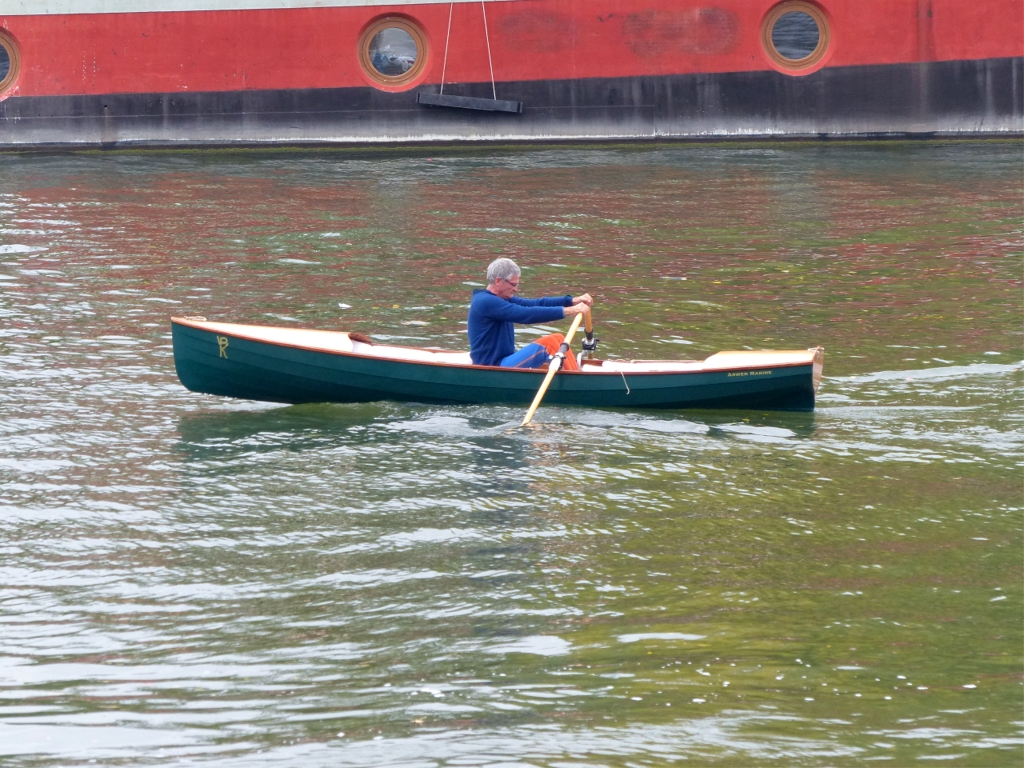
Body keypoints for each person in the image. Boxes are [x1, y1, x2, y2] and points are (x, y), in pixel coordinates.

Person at [467, 257, 593, 369]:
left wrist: (571, 301)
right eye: (513, 284)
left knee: (559, 339)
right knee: (548, 344)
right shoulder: (485, 301)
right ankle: (575, 383)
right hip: (492, 367)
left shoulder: (503, 298)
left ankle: (575, 374)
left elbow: (535, 304)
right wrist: (569, 311)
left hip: (506, 360)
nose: (516, 289)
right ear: (498, 281)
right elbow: (525, 314)